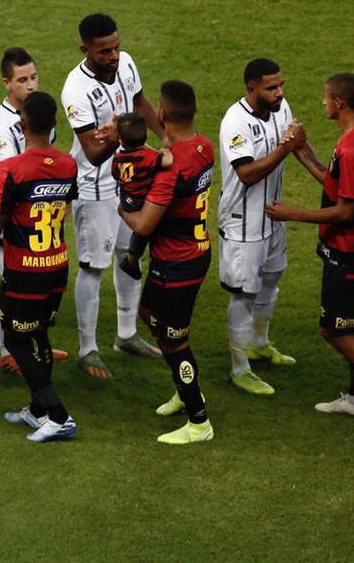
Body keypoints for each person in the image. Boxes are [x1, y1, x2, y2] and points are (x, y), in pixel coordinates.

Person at [266, 74, 354, 439]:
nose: (323, 103)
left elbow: (344, 211)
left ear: (339, 103)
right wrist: (303, 150)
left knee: (332, 329)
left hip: (347, 250)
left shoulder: (350, 148)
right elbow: (338, 188)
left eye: (326, 98)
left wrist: (292, 213)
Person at [0, 91, 79, 442]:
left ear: (22, 123)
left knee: (14, 339)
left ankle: (58, 414)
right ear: (55, 125)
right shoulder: (67, 165)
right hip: (56, 264)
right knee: (39, 333)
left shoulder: (10, 170)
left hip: (25, 270)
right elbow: (65, 209)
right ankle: (38, 410)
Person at [60, 12, 162, 379]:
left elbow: (139, 101)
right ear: (85, 49)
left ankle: (126, 334)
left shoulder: (127, 62)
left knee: (129, 255)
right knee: (93, 265)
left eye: (116, 47)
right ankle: (87, 349)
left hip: (131, 178)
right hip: (95, 186)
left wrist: (167, 136)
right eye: (104, 51)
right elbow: (92, 151)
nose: (114, 56)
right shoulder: (75, 89)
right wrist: (119, 135)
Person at [119, 81, 216, 445]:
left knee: (175, 342)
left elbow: (144, 223)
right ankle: (185, 385)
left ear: (161, 114)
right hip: (190, 251)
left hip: (178, 262)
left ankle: (198, 420)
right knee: (149, 314)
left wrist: (123, 210)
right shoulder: (202, 146)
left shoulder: (171, 168)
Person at [217, 58, 321, 396]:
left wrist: (326, 176)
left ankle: (259, 343)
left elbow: (298, 145)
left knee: (273, 277)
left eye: (281, 86)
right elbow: (246, 174)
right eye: (271, 88)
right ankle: (239, 368)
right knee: (244, 294)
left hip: (273, 214)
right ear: (251, 88)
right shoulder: (236, 123)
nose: (279, 93)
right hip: (242, 222)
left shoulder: (281, 108)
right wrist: (285, 147)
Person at [0, 47, 65, 374]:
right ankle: (8, 351)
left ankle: (35, 344)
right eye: (22, 80)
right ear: (7, 83)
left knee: (34, 288)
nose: (30, 85)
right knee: (11, 283)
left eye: (33, 77)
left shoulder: (39, 115)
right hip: (16, 219)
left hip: (40, 215)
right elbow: (7, 180)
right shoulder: (2, 127)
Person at [111, 112, 171, 280]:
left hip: (126, 198)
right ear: (147, 135)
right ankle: (132, 259)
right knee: (144, 229)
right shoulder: (147, 157)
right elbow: (168, 161)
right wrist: (165, 150)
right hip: (140, 201)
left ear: (121, 141)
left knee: (143, 231)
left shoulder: (118, 158)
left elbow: (115, 174)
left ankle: (132, 259)